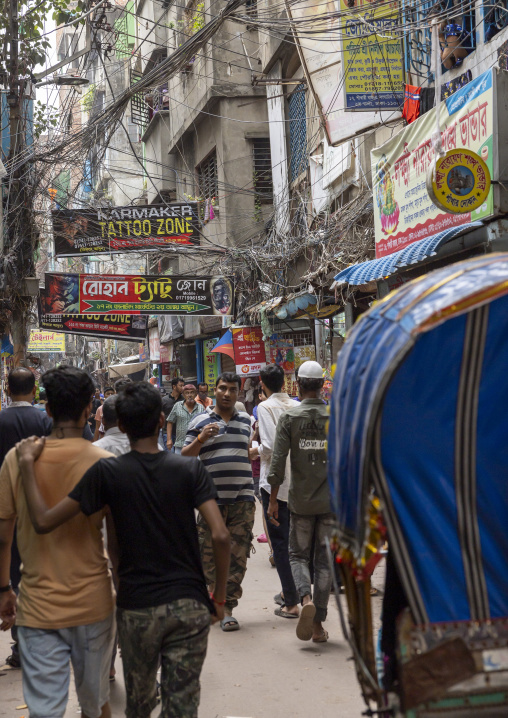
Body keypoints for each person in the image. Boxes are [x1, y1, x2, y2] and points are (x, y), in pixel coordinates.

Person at [16, 382, 231, 718]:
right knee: (182, 706)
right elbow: (220, 536)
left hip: (137, 608)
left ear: (122, 426)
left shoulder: (108, 471)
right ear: (162, 420)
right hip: (189, 604)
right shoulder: (189, 469)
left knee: (140, 704)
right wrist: (218, 598)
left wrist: (27, 464)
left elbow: (43, 521)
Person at [0, 366, 116, 718]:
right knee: (95, 706)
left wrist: (4, 588)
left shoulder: (18, 460)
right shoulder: (106, 463)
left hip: (37, 609)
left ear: (46, 409)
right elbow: (120, 544)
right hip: (95, 603)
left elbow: (3, 536)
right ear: (88, 410)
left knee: (45, 711)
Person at [182, 372, 255, 632]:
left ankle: (227, 608)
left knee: (238, 555)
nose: (227, 393)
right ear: (214, 390)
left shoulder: (246, 420)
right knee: (208, 555)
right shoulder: (200, 419)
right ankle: (213, 597)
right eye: (222, 388)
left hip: (243, 497)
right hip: (210, 502)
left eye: (232, 389)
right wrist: (202, 438)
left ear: (238, 393)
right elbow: (185, 456)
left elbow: (245, 451)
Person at [267, 360, 334, 644]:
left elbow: (277, 464)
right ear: (321, 385)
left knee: (297, 555)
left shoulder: (290, 419)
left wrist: (272, 501)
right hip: (331, 502)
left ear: (298, 383)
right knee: (324, 562)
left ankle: (304, 597)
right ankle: (318, 626)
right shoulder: (336, 417)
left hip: (300, 502)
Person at [0, 368, 53, 668]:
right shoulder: (45, 421)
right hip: (40, 508)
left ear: (7, 390)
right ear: (34, 391)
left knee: (12, 577)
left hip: (5, 510)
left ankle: (22, 646)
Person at [250, 364, 300, 619]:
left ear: (262, 382)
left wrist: (254, 449)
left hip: (277, 485)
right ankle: (296, 592)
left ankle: (291, 600)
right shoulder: (296, 405)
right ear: (285, 382)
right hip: (300, 483)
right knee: (298, 543)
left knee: (280, 543)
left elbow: (269, 447)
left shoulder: (266, 408)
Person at [166, 385, 204, 454]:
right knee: (179, 464)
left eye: (192, 392)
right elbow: (170, 422)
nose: (189, 395)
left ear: (196, 394)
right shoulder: (177, 406)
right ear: (183, 395)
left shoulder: (200, 408)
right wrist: (169, 439)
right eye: (187, 393)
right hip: (180, 445)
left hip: (196, 445)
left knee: (195, 464)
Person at [163, 377, 184, 449]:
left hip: (180, 433)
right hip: (167, 432)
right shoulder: (164, 400)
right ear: (174, 387)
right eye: (181, 385)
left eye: (183, 385)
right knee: (170, 455)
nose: (183, 388)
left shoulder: (184, 400)